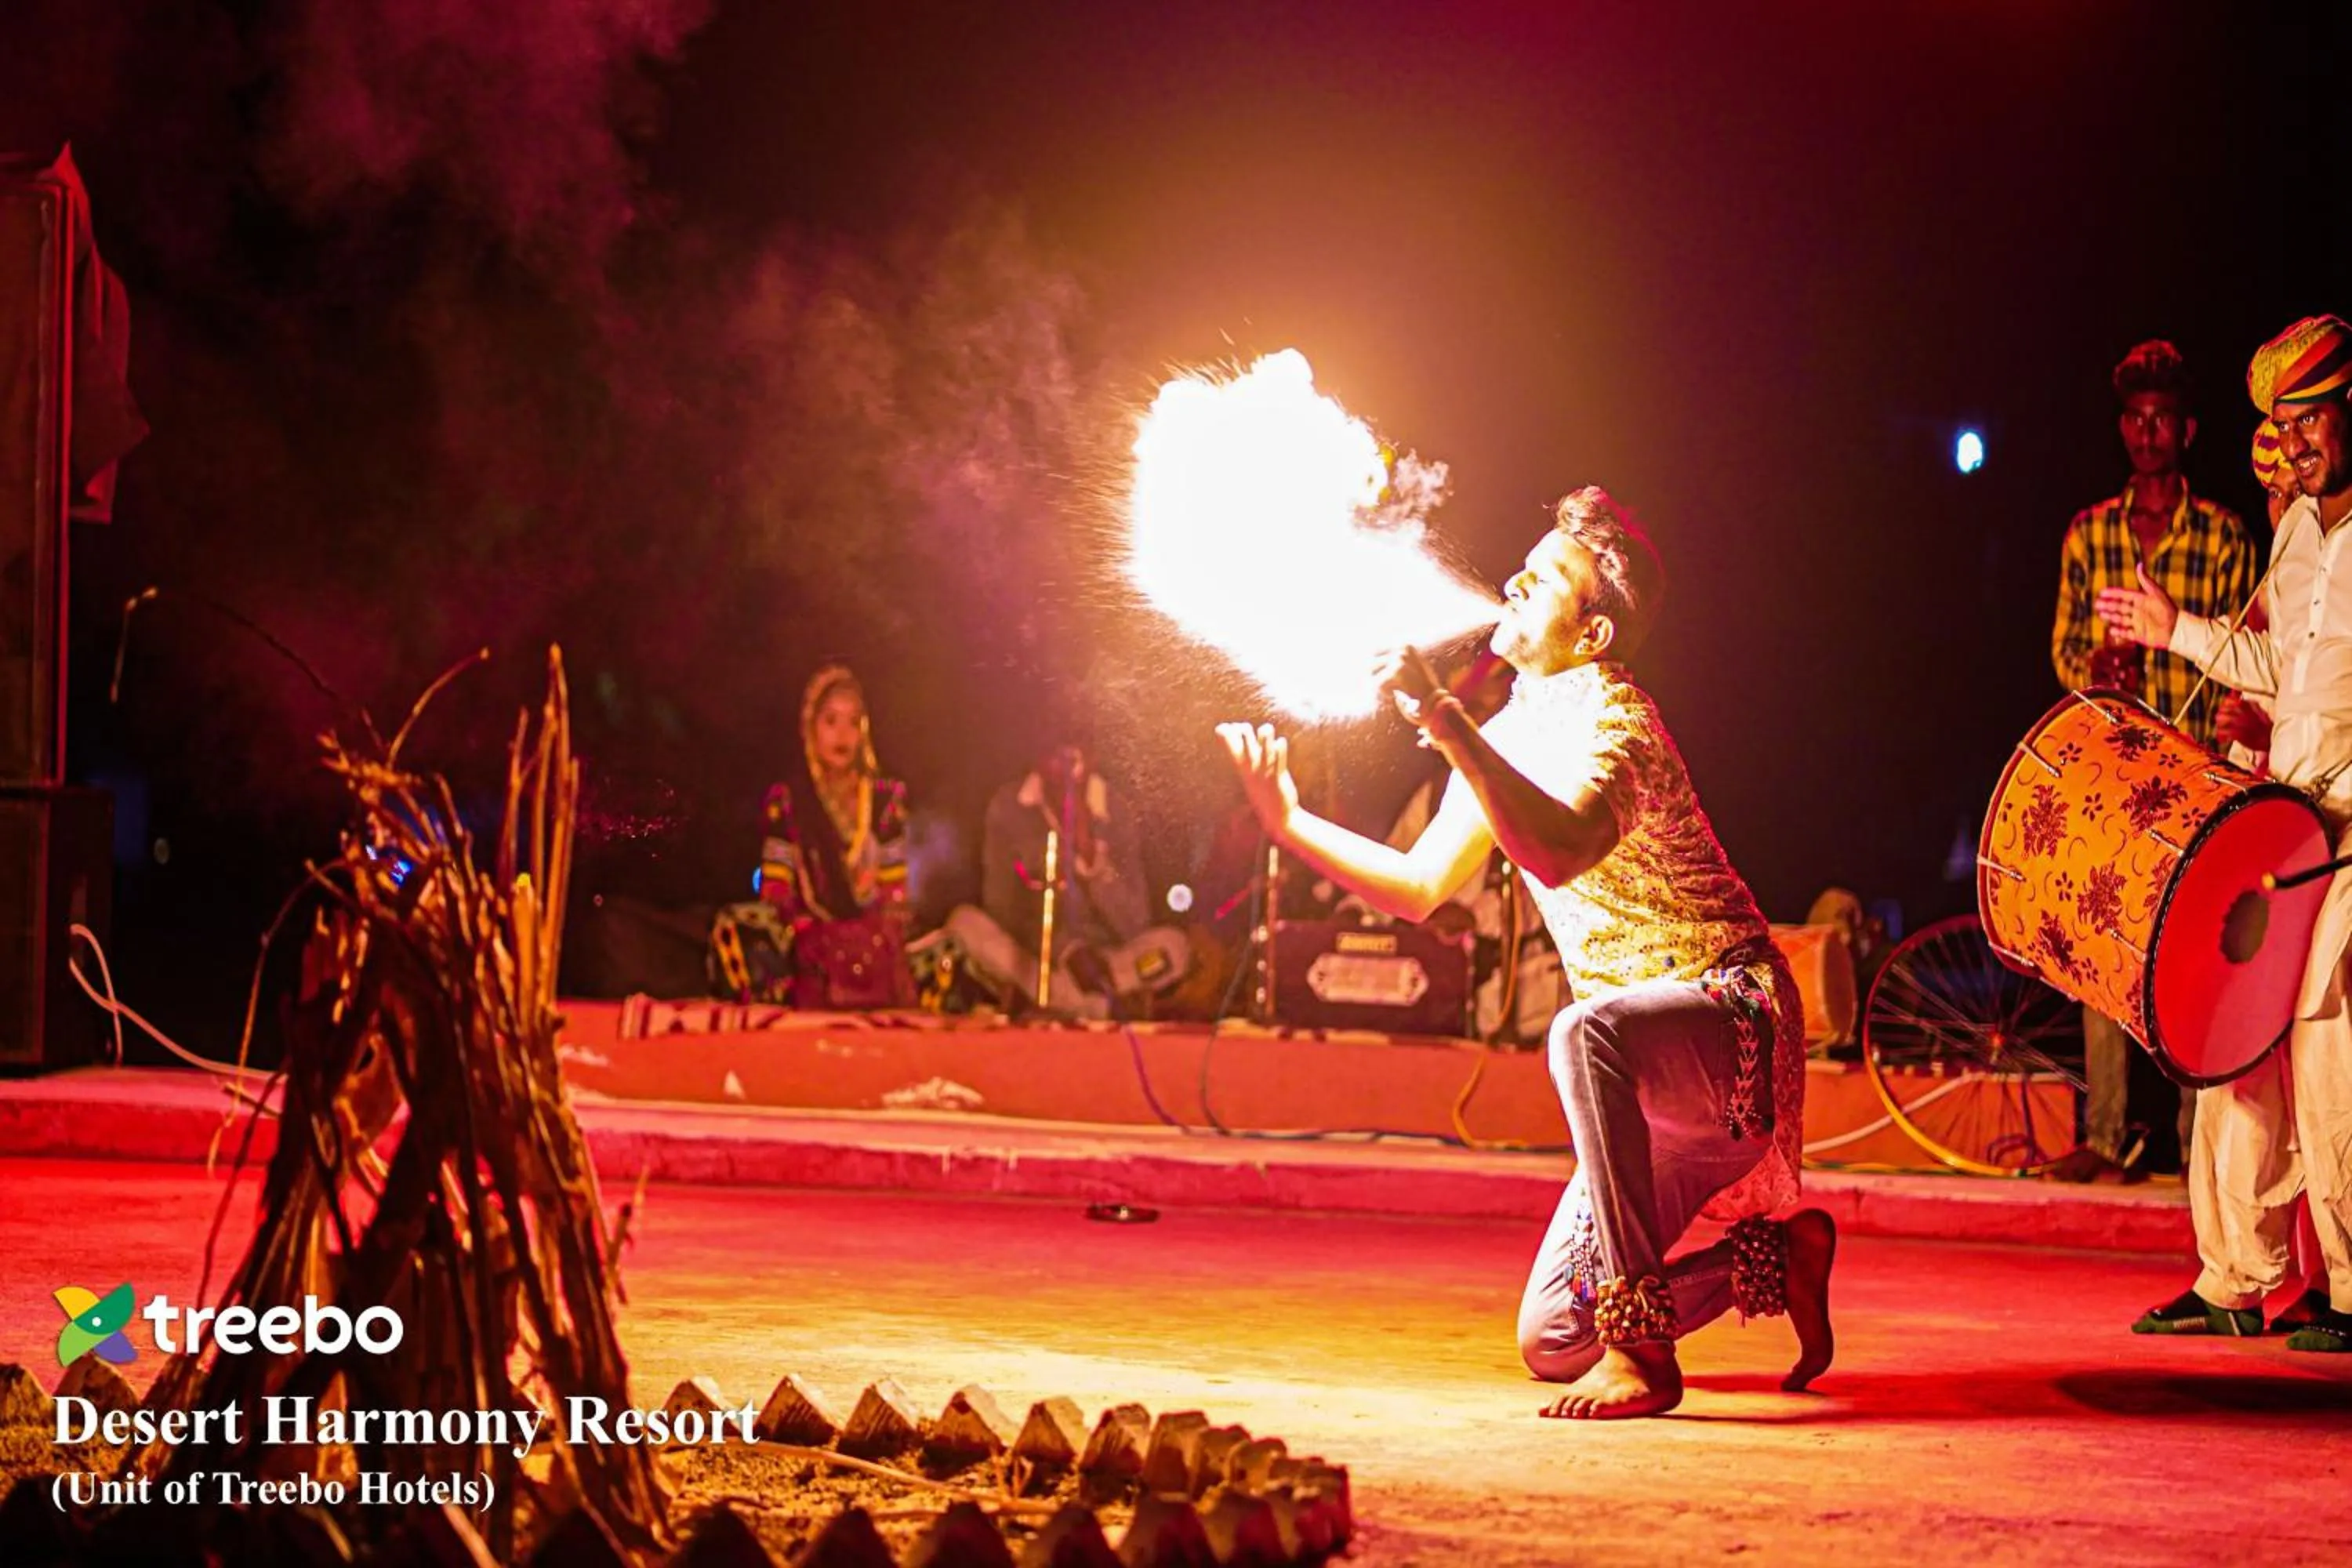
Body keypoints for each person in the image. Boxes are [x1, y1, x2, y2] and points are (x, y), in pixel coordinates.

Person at [1219, 486, 1835, 1418]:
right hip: (1639, 1076)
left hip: (1730, 1031)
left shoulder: (1619, 725)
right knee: (1553, 1336)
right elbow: (1424, 887)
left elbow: (1561, 845)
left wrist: (1445, 721)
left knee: (1584, 1032)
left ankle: (1643, 1354)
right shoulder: (1509, 737)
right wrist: (1290, 821)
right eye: (1526, 561)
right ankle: (1777, 1259)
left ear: (1591, 636)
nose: (1513, 581)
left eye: (1545, 579)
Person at [2096, 314, 2352, 1352]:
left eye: (2306, 417)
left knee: (2334, 1058)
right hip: (2286, 822)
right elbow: (2286, 672)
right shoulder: (2295, 533)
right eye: (2276, 422)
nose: (2288, 441)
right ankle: (2233, 1280)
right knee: (2236, 1049)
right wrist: (2178, 633)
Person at [2051, 340, 2259, 1181]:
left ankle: (2187, 1138)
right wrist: (2093, 669)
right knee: (2101, 940)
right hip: (2112, 767)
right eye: (2135, 419)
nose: (2147, 433)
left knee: (2189, 954)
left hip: (2196, 768)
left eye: (2161, 418)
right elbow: (2064, 647)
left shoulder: (2220, 535)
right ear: (2122, 429)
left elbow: (2252, 648)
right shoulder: (2089, 533)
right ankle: (2107, 1133)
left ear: (2187, 429)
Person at [710, 664, 914, 1009]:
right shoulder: (789, 800)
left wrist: (883, 928)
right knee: (733, 927)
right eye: (831, 721)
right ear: (810, 729)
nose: (843, 735)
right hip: (808, 939)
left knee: (951, 948)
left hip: (871, 939)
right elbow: (776, 886)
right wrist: (803, 927)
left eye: (854, 722)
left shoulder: (884, 799)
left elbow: (895, 890)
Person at [942, 737, 1189, 1019]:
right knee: (964, 924)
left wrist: (1090, 858)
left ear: (1092, 758)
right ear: (1038, 760)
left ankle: (1066, 1002)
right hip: (1038, 962)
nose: (1067, 771)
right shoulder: (1009, 809)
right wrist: (1067, 951)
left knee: (1173, 947)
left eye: (1075, 758)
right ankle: (1091, 1005)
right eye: (1056, 757)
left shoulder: (1116, 811)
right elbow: (1000, 908)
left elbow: (1135, 922)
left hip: (1110, 964)